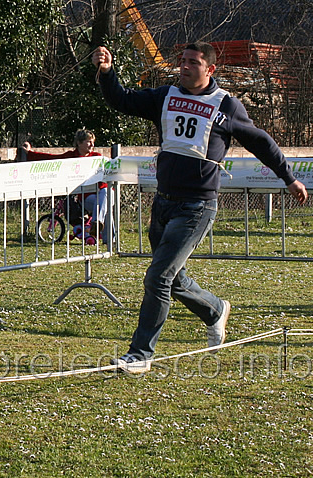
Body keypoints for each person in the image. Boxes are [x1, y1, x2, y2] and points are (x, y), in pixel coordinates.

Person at [93, 42, 308, 373]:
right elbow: (121, 100)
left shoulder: (226, 106)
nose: (185, 67)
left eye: (193, 63)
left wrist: (288, 178)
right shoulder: (165, 96)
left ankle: (140, 355)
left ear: (210, 70)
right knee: (173, 280)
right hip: (163, 202)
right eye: (182, 61)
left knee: (158, 277)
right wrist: (107, 73)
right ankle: (215, 310)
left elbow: (261, 142)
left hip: (197, 206)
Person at [21, 129, 108, 235]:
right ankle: (107, 237)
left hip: (101, 194)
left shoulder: (97, 157)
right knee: (105, 205)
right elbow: (51, 160)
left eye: (93, 142)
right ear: (79, 143)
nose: (92, 145)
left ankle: (97, 224)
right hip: (86, 197)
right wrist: (30, 153)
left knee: (106, 194)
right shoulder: (71, 157)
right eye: (89, 142)